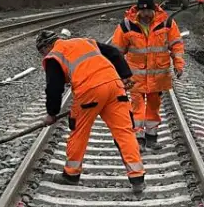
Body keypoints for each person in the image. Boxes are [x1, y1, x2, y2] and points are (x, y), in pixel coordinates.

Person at [36, 28, 144, 194]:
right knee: (124, 132)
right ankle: (137, 177)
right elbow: (114, 52)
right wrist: (125, 75)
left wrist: (51, 113)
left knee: (79, 130)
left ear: (45, 47)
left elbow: (54, 88)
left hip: (89, 91)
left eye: (42, 53)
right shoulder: (84, 41)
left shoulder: (53, 56)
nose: (43, 56)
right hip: (115, 86)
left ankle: (71, 175)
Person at [110, 0, 185, 151]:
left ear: (154, 9)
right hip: (134, 77)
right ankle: (138, 139)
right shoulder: (127, 25)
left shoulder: (166, 23)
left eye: (147, 11)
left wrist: (179, 65)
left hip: (158, 77)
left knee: (153, 107)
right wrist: (115, 72)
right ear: (138, 10)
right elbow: (116, 51)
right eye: (142, 11)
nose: (145, 15)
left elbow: (176, 45)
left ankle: (151, 138)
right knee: (136, 107)